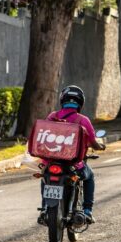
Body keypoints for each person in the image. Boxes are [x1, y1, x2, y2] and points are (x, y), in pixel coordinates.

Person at [38, 85, 105, 224]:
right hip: (74, 164)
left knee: (46, 178)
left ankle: (45, 208)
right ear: (80, 103)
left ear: (62, 100)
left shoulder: (52, 116)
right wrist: (100, 146)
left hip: (50, 162)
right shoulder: (83, 120)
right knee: (90, 177)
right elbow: (93, 142)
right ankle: (87, 211)